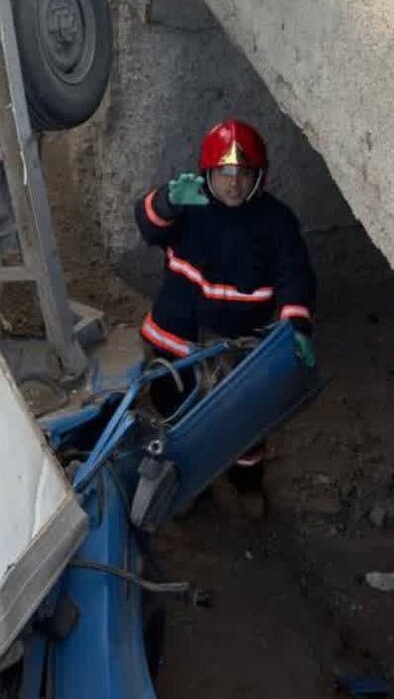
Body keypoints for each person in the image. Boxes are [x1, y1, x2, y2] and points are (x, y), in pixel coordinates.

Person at [134, 119, 317, 503]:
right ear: (208, 172)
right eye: (224, 172)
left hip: (238, 346)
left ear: (259, 175)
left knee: (245, 424)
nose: (232, 183)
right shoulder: (189, 206)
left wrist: (295, 327)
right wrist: (166, 200)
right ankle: (185, 491)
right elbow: (148, 225)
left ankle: (246, 486)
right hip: (177, 342)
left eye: (243, 173)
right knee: (173, 416)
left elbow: (294, 275)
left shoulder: (276, 222)